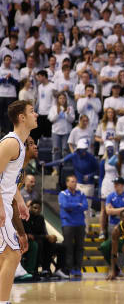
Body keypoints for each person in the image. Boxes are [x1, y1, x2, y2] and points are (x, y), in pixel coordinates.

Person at [0, 100, 36, 301]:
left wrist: (20, 200)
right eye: (32, 111)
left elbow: (8, 179)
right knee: (13, 255)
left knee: (4, 257)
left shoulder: (20, 145)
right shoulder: (11, 142)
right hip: (0, 203)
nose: (36, 114)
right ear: (22, 117)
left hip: (5, 200)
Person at [23, 200, 66, 278]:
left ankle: (55, 270)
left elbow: (44, 232)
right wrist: (45, 237)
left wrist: (50, 238)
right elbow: (30, 235)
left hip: (41, 239)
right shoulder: (25, 218)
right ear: (30, 208)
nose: (37, 210)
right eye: (35, 208)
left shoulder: (41, 218)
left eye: (39, 208)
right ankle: (35, 270)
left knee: (61, 246)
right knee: (39, 243)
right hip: (30, 241)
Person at [58, 174, 87, 278]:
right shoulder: (63, 194)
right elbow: (65, 206)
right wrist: (77, 205)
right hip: (68, 224)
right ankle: (69, 269)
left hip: (80, 224)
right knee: (68, 247)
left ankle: (78, 268)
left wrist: (73, 206)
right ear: (67, 183)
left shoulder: (81, 193)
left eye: (75, 181)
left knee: (80, 247)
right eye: (72, 181)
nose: (74, 183)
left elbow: (85, 206)